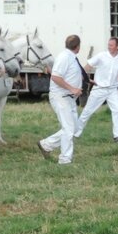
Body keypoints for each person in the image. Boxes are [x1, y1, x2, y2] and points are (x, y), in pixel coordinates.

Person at [75, 37, 118, 143]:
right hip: (99, 89)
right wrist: (81, 76)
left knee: (117, 111)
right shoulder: (101, 56)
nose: (109, 47)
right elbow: (87, 66)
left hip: (113, 90)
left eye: (111, 45)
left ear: (117, 47)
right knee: (87, 111)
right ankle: (75, 132)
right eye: (108, 45)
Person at [38, 35, 83, 165]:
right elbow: (56, 77)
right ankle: (65, 160)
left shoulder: (70, 57)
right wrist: (72, 89)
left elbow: (69, 75)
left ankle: (46, 145)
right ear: (78, 47)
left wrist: (86, 80)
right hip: (61, 97)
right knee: (69, 129)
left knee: (73, 128)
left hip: (68, 98)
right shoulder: (65, 57)